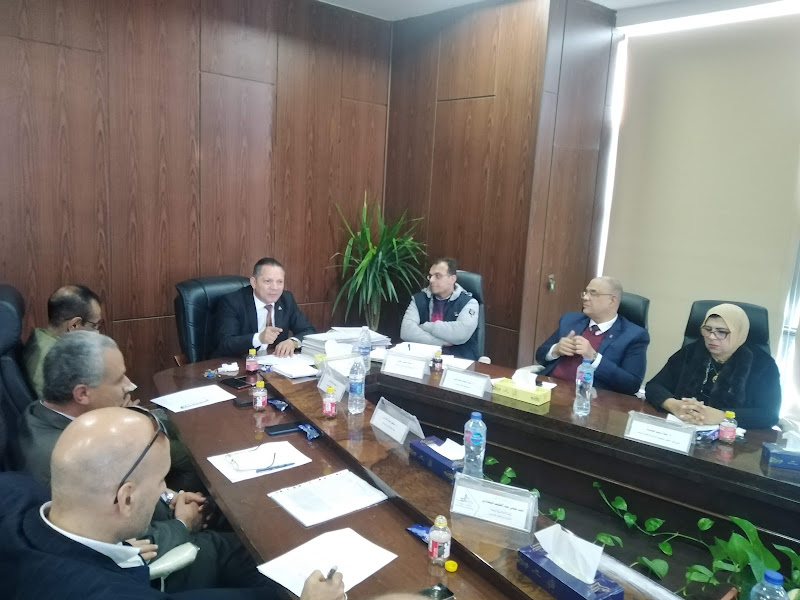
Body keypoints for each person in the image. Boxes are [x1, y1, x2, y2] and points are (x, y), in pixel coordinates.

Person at [0, 407, 345, 599]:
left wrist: (113, 542)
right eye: (161, 482)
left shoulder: (14, 492)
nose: (167, 491)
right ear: (126, 498)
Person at [15, 331, 251, 592]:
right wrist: (183, 524)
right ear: (82, 394)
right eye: (119, 380)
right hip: (159, 553)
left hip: (156, 511)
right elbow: (110, 544)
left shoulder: (40, 412)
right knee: (246, 551)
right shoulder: (64, 459)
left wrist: (170, 497)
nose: (130, 385)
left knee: (222, 506)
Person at [645, 303, 781, 429]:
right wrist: (674, 405)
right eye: (707, 329)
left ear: (739, 333)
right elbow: (654, 386)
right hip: (683, 428)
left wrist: (722, 416)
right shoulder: (690, 352)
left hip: (731, 439)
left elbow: (769, 414)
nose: (711, 337)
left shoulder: (763, 365)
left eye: (721, 332)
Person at [535, 277, 649, 395]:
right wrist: (556, 350)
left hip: (591, 399)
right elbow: (540, 355)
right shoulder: (570, 320)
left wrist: (593, 357)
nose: (585, 297)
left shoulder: (634, 335)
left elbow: (632, 385)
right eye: (586, 292)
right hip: (549, 389)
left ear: (612, 300)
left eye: (593, 293)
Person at [214, 257, 315, 358]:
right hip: (242, 362)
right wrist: (259, 338)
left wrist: (293, 342)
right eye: (268, 281)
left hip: (277, 361)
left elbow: (308, 331)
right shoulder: (232, 301)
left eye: (280, 281)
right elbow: (225, 343)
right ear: (254, 282)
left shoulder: (286, 299)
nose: (275, 287)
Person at [23, 284, 103, 397]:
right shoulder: (56, 367)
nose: (98, 333)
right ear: (74, 325)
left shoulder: (38, 337)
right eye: (95, 325)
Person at [400, 258, 480, 360]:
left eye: (438, 276)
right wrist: (440, 342)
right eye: (430, 276)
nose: (431, 280)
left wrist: (426, 326)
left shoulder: (469, 303)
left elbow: (461, 333)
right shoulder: (419, 299)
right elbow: (406, 331)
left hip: (457, 360)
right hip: (424, 358)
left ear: (452, 279)